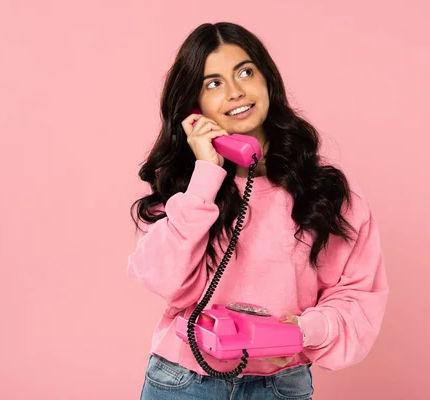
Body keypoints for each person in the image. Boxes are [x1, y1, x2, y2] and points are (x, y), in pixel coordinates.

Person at [127, 21, 389, 400]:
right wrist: (207, 174)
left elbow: (358, 293)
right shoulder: (185, 185)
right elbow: (162, 279)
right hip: (184, 380)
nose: (235, 92)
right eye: (213, 83)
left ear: (268, 81)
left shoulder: (324, 186)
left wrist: (305, 330)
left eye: (245, 72)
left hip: (281, 385)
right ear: (193, 106)